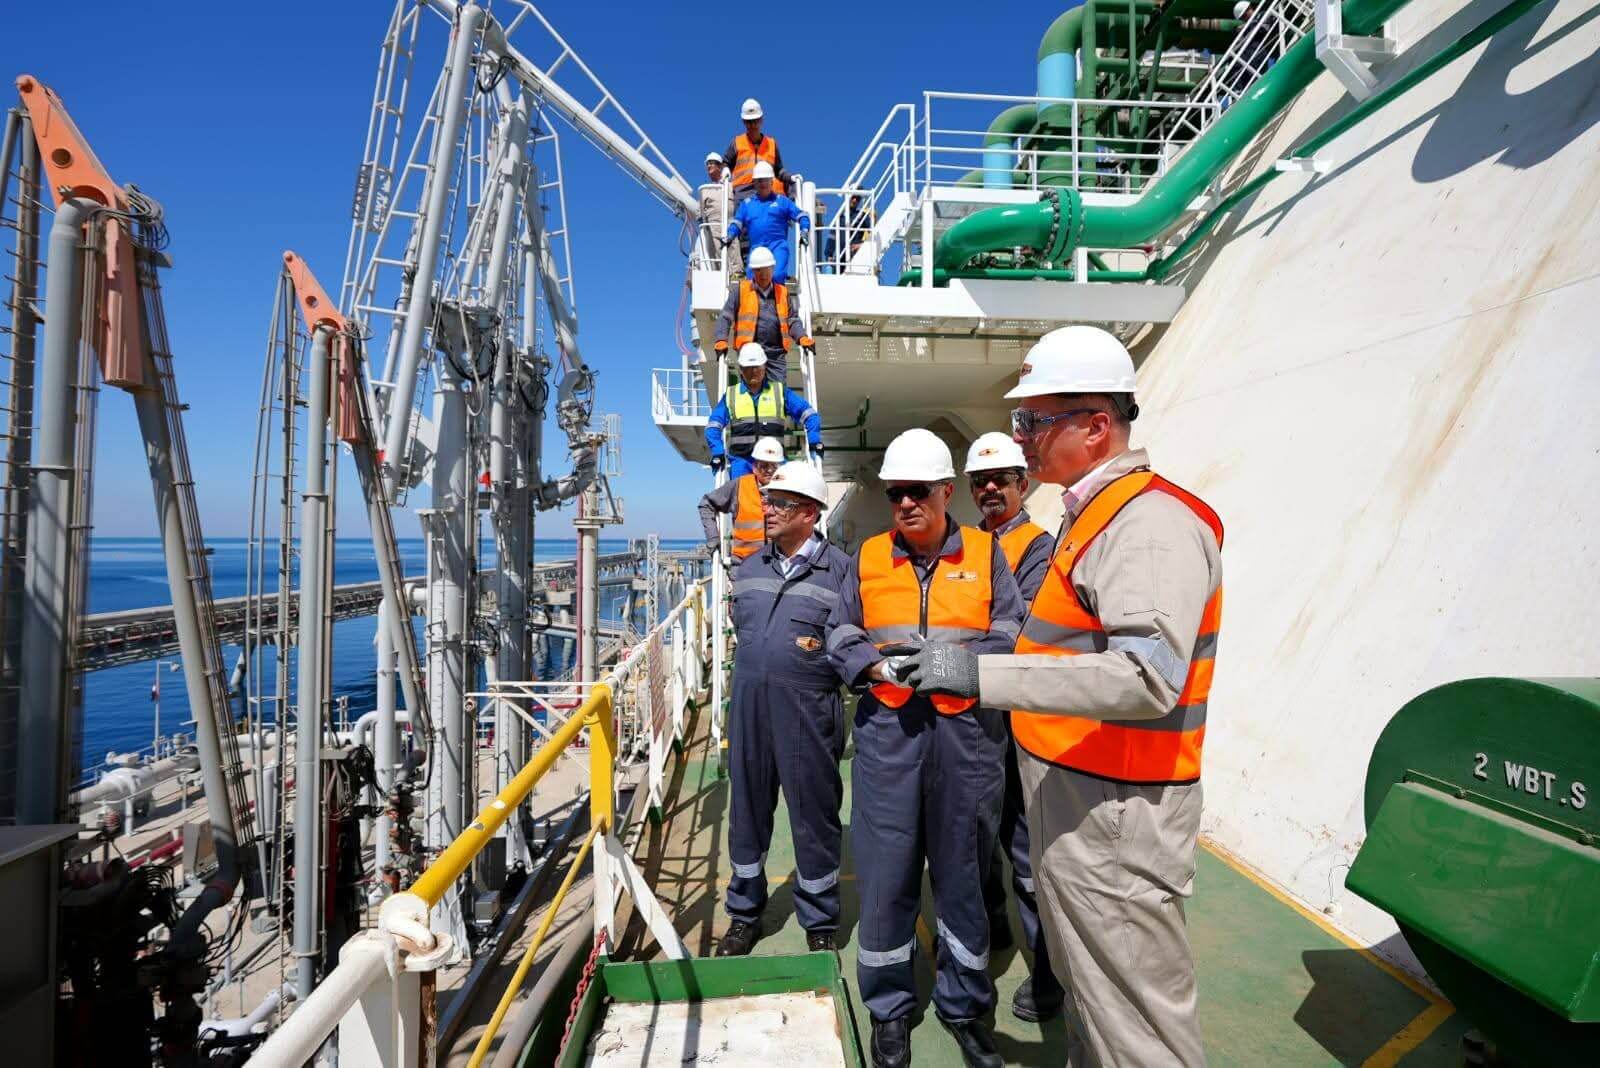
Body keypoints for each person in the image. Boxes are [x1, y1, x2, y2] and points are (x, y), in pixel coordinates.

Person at [888, 326, 1224, 1068]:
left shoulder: (1148, 525)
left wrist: (978, 676)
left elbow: (1146, 676)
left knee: (1137, 1031)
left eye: (1034, 419)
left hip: (1116, 811)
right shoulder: (1096, 517)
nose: (1021, 436)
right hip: (1081, 798)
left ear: (1096, 427)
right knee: (1096, 1009)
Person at [826, 428, 1025, 1068]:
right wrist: (872, 666)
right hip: (890, 737)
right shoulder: (866, 557)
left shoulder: (988, 554)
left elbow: (1013, 628)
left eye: (918, 491)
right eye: (895, 493)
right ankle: (890, 1011)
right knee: (886, 877)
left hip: (967, 740)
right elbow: (840, 630)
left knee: (963, 875)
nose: (906, 503)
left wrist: (959, 662)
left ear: (946, 492)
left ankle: (964, 1007)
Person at [718, 462, 850, 957]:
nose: (767, 509)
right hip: (750, 707)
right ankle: (744, 915)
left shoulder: (842, 571)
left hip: (809, 710)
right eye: (768, 500)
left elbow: (852, 640)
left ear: (810, 513)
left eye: (780, 503)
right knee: (746, 812)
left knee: (815, 816)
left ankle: (820, 919)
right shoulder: (750, 567)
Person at [963, 432, 1064, 1025]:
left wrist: (964, 638)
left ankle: (1049, 973)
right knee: (976, 836)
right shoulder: (969, 543)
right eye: (980, 482)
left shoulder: (1038, 547)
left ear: (1023, 484)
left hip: (1019, 721)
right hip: (976, 719)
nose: (990, 489)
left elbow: (1021, 624)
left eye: (1001, 480)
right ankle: (995, 922)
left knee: (1025, 851)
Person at [704, 343, 822, 479]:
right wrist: (718, 451)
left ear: (764, 366)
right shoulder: (731, 395)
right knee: (743, 492)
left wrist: (814, 440)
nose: (753, 372)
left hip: (775, 459)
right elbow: (713, 426)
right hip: (742, 462)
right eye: (748, 368)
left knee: (781, 490)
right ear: (741, 369)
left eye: (757, 367)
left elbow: (809, 415)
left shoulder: (780, 392)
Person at [712, 246, 813, 383]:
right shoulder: (740, 290)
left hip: (775, 353)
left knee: (777, 391)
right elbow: (725, 317)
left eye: (766, 269)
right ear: (753, 271)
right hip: (749, 351)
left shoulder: (782, 292)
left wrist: (802, 337)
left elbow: (792, 320)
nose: (763, 274)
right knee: (751, 390)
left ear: (773, 269)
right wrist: (721, 340)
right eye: (759, 270)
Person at [697, 436, 784, 565]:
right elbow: (706, 504)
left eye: (774, 466)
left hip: (779, 565)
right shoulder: (739, 486)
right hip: (744, 565)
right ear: (754, 467)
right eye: (764, 465)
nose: (770, 470)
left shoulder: (788, 489)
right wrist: (713, 538)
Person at [725, 162, 809, 286]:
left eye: (765, 180)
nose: (762, 183)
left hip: (778, 247)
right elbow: (737, 223)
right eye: (759, 180)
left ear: (771, 181)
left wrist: (804, 230)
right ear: (754, 183)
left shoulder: (782, 202)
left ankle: (778, 298)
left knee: (777, 276)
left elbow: (802, 216)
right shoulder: (747, 204)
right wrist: (730, 235)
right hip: (756, 248)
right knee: (752, 281)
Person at [724, 96, 788, 202]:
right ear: (744, 122)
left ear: (761, 120)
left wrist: (790, 177)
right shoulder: (737, 142)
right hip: (743, 193)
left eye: (755, 121)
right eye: (749, 122)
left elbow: (779, 170)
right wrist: (725, 169)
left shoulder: (771, 143)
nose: (753, 125)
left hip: (767, 191)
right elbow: (725, 163)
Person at [698, 151, 741, 276]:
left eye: (712, 163)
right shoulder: (705, 190)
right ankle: (719, 273)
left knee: (733, 247)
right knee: (716, 251)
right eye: (708, 164)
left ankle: (736, 273)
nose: (709, 166)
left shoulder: (731, 186)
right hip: (713, 225)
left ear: (720, 166)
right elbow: (699, 213)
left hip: (730, 222)